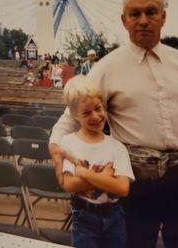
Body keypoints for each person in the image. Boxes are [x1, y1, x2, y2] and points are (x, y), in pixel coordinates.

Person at [49, 0, 178, 248]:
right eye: (134, 14)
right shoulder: (106, 68)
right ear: (124, 20)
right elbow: (70, 117)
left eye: (151, 12)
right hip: (135, 183)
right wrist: (56, 149)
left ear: (163, 16)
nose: (143, 20)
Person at [57, 75, 134, 248]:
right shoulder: (68, 143)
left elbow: (122, 188)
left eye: (98, 108)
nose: (95, 116)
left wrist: (84, 173)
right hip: (84, 217)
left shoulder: (117, 146)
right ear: (74, 114)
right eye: (86, 112)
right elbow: (69, 184)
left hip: (115, 218)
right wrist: (105, 178)